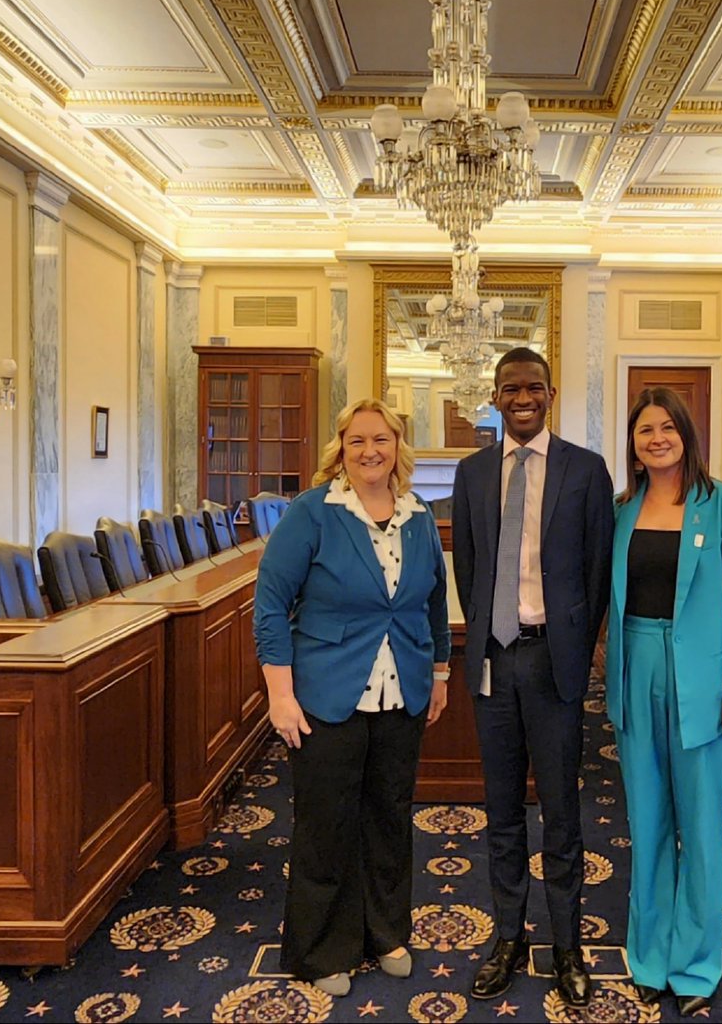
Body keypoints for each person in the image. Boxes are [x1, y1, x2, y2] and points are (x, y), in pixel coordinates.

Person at [253, 398, 451, 997]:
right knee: (327, 824)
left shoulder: (418, 514)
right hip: (326, 694)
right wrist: (280, 694)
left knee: (389, 818)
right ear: (341, 448)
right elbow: (270, 605)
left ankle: (385, 933)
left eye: (381, 439)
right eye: (358, 440)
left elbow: (433, 601)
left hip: (402, 691)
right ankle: (321, 948)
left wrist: (439, 673)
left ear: (398, 447)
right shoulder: (313, 512)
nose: (370, 451)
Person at [451, 347, 614, 1006]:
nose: (522, 398)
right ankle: (508, 937)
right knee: (501, 811)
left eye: (534, 387)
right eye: (511, 388)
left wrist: (575, 644)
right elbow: (468, 565)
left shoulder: (585, 469)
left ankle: (567, 945)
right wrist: (488, 635)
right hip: (495, 659)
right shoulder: (472, 473)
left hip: (554, 661)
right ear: (495, 397)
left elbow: (598, 570)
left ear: (550, 393)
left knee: (562, 813)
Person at [604, 387, 722, 1018]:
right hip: (635, 669)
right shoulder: (621, 511)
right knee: (646, 824)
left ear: (686, 435)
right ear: (633, 444)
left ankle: (695, 965)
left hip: (705, 680)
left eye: (667, 428)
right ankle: (648, 957)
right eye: (645, 430)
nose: (657, 439)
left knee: (699, 828)